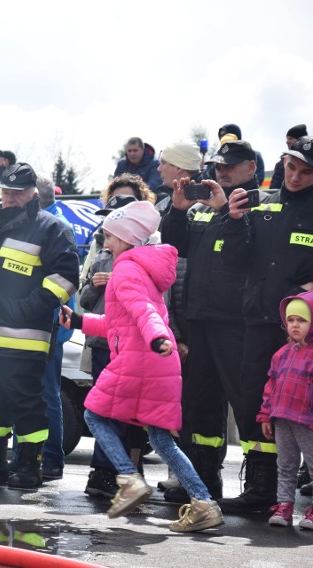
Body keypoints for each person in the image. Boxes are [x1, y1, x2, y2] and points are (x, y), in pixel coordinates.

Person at [62, 200, 224, 532]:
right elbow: (119, 324)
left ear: (126, 238)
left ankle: (128, 477)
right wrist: (79, 320)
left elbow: (143, 314)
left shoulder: (124, 269)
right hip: (155, 359)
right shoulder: (143, 269)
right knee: (162, 440)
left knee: (93, 414)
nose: (105, 244)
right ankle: (204, 504)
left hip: (140, 358)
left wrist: (155, 338)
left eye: (110, 237)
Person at [0, 162, 79, 491]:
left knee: (28, 405)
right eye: (6, 193)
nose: (10, 199)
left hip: (24, 338)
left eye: (16, 194)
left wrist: (26, 309)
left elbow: (67, 277)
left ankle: (30, 466)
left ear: (31, 196)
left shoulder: (51, 228)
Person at [159, 140, 262, 504]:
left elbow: (241, 256)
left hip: (237, 320)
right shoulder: (200, 206)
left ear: (251, 168)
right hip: (199, 317)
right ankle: (203, 480)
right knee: (199, 404)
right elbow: (174, 248)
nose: (222, 172)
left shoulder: (260, 206)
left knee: (246, 401)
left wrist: (226, 213)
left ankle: (260, 489)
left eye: (231, 166)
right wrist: (176, 209)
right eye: (219, 166)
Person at [219, 135, 313, 514]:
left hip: (302, 330)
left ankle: (295, 490)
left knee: (302, 409)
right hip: (258, 319)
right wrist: (234, 222)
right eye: (291, 167)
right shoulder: (262, 206)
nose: (295, 177)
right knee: (254, 399)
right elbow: (236, 260)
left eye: (306, 172)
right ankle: (263, 486)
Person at [80, 191, 138, 498]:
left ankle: (115, 471)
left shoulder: (142, 258)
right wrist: (93, 284)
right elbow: (84, 301)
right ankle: (104, 472)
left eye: (111, 226)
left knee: (118, 412)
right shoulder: (101, 256)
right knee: (102, 409)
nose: (105, 233)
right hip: (102, 343)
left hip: (129, 347)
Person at [257, 291, 313, 529]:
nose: (295, 325)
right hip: (282, 418)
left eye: (301, 320)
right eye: (290, 320)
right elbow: (271, 386)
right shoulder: (281, 354)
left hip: (307, 420)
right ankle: (284, 506)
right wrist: (265, 415)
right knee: (286, 465)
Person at [34, 175, 77, 481]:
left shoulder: (56, 228)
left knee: (48, 394)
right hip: (40, 323)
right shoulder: (52, 223)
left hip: (49, 324)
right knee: (35, 393)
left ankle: (50, 459)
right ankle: (35, 456)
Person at [270, 124, 307, 190]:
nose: (287, 142)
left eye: (290, 138)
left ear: (299, 141)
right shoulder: (281, 163)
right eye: (291, 167)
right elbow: (274, 187)